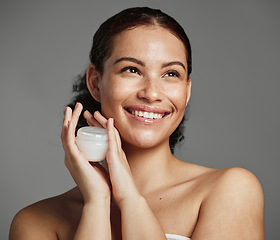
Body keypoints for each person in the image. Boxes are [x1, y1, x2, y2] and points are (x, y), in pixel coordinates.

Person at [9, 7, 265, 240]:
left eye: (171, 74)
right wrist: (97, 202)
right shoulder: (35, 222)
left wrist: (130, 199)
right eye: (132, 70)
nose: (152, 93)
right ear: (96, 83)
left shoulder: (231, 191)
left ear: (187, 91)